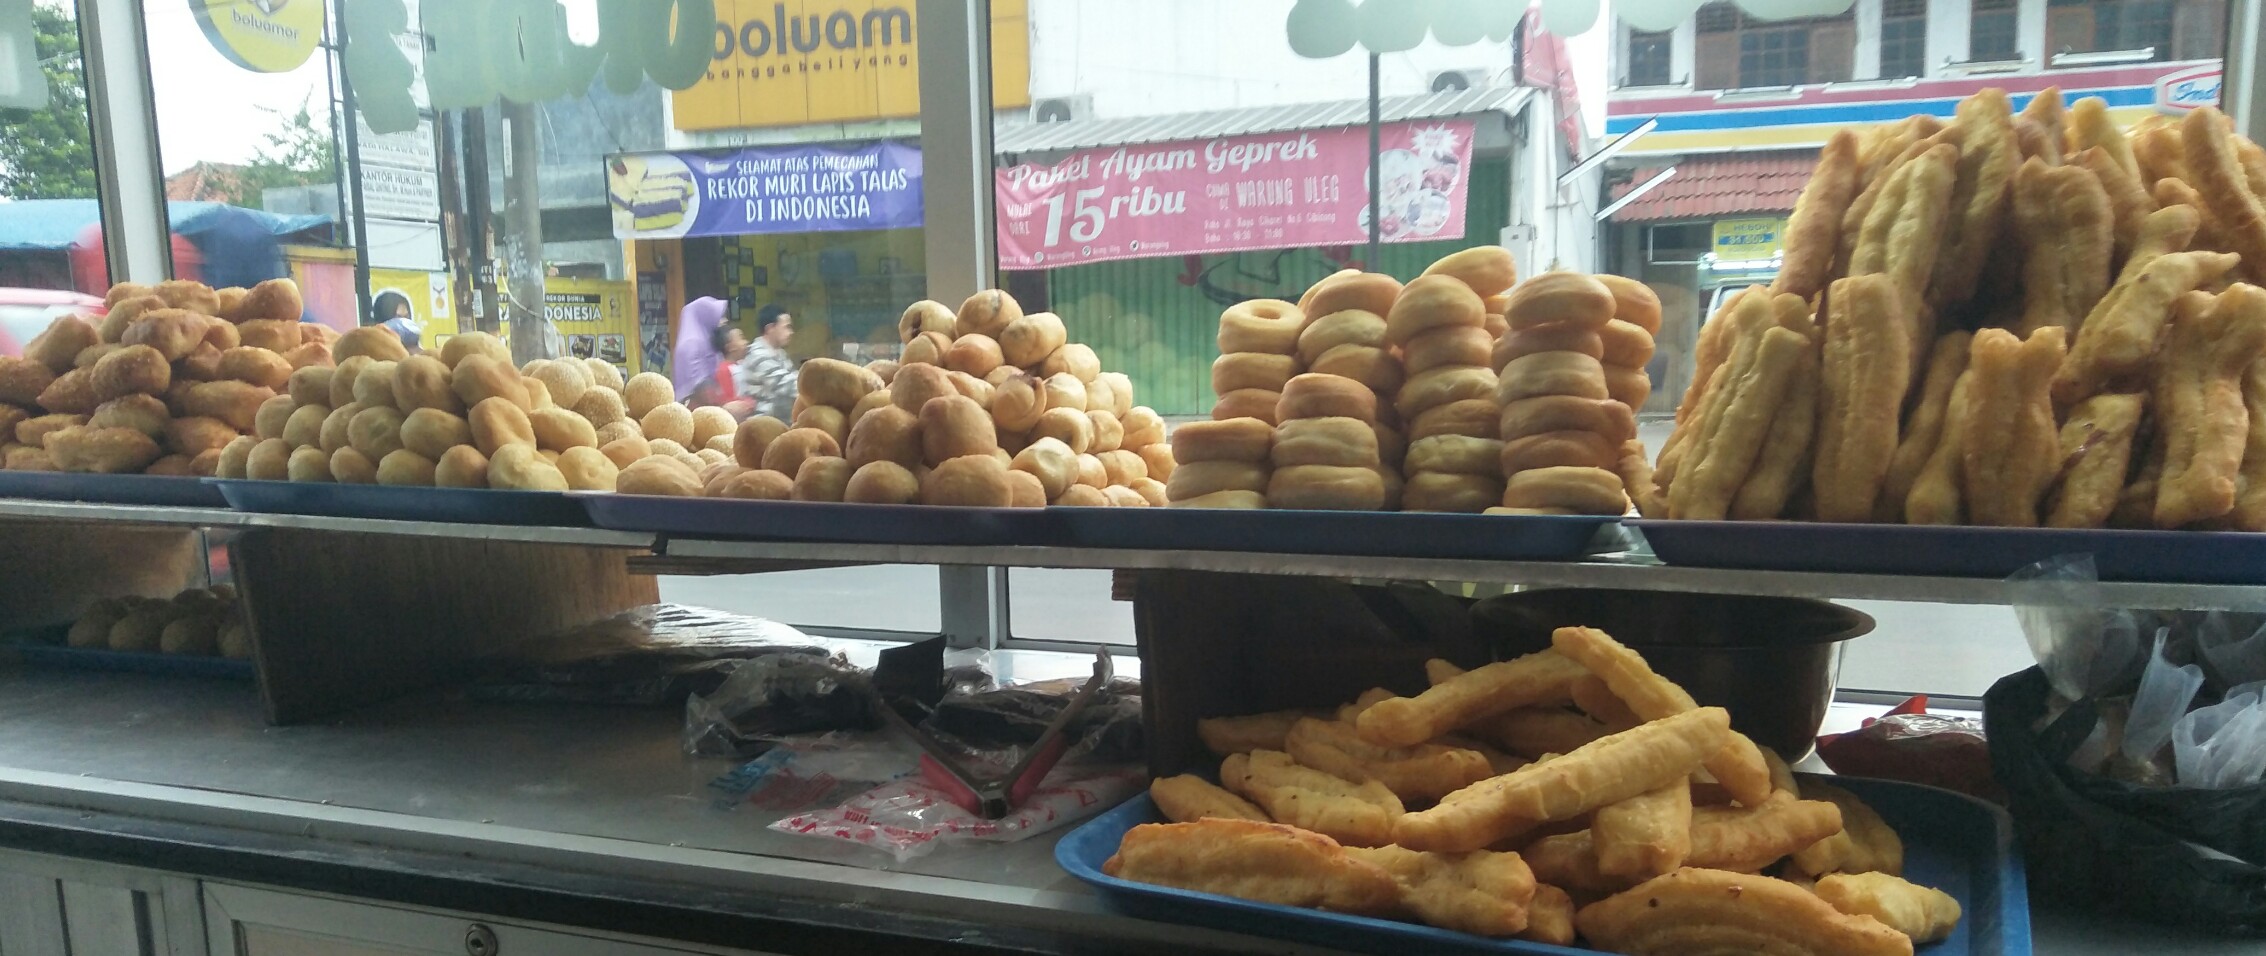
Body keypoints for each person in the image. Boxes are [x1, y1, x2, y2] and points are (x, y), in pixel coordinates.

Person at [736, 303, 796, 422]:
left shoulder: (779, 353)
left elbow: (794, 378)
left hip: (779, 419)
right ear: (770, 329)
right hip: (761, 424)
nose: (791, 332)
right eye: (786, 327)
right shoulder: (758, 354)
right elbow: (787, 385)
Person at [671, 296, 730, 405]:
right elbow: (699, 386)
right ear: (706, 316)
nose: (724, 321)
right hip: (697, 411)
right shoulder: (691, 345)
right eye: (719, 317)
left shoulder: (707, 341)